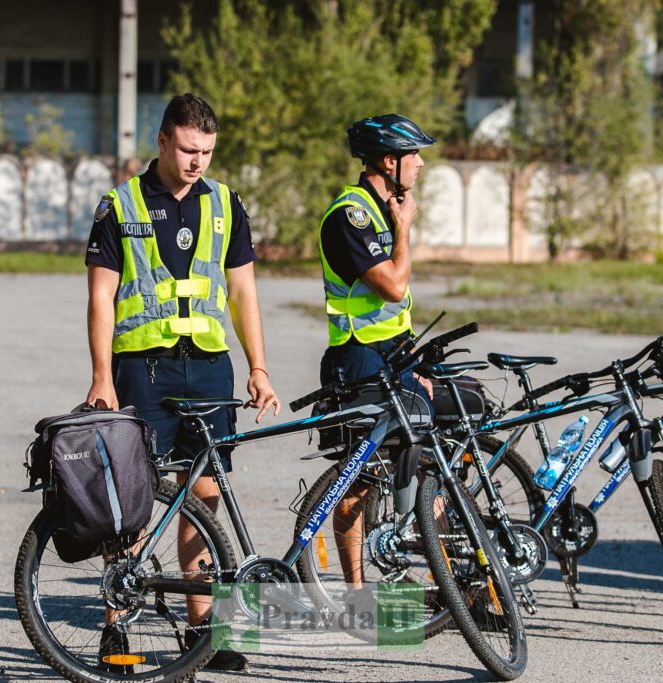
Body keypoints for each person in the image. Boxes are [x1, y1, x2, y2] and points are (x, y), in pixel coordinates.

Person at [84, 93, 279, 672]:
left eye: (208, 152)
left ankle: (202, 631)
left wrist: (259, 366)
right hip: (143, 370)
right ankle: (116, 630)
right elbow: (99, 297)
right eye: (190, 150)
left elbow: (243, 290)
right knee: (136, 500)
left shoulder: (224, 204)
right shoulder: (119, 205)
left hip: (210, 367)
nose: (199, 162)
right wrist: (101, 377)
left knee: (206, 495)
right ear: (163, 141)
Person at [318, 113, 436, 592]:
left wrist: (417, 363)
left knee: (431, 459)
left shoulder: (386, 208)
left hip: (394, 354)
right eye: (414, 156)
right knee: (359, 481)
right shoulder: (352, 215)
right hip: (359, 358)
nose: (421, 164)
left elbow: (398, 310)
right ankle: (355, 590)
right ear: (390, 161)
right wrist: (405, 230)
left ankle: (449, 584)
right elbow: (391, 286)